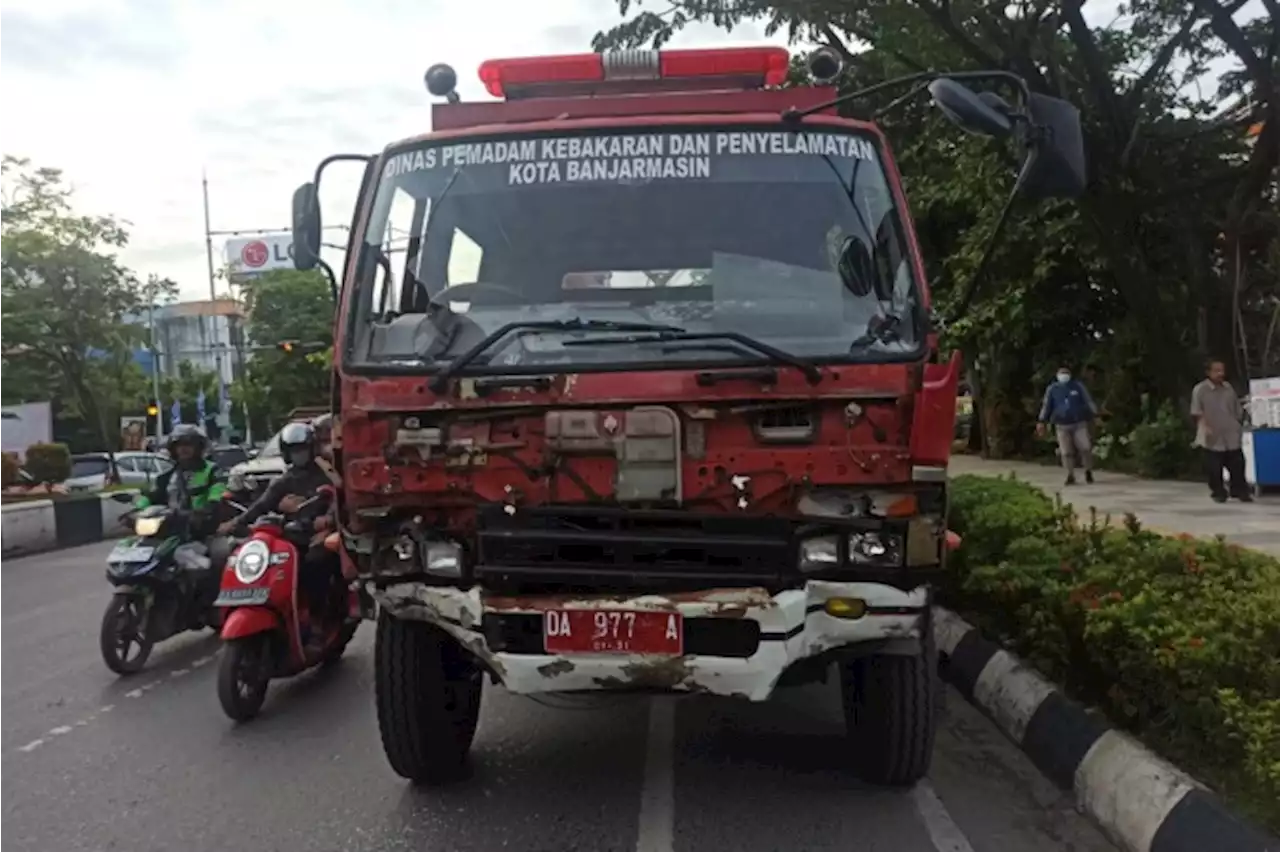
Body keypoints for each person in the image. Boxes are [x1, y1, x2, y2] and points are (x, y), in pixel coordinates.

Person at [217, 421, 341, 639]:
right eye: (294, 451)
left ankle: (318, 615)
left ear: (311, 449)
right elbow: (261, 505)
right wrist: (235, 523)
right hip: (291, 533)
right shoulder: (284, 480)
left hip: (318, 533)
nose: (298, 455)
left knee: (316, 561)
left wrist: (328, 519)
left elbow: (339, 498)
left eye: (302, 449)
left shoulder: (325, 474)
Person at [137, 424, 227, 526]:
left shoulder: (213, 470)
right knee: (130, 542)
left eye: (188, 444)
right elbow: (152, 495)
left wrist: (205, 510)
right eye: (179, 445)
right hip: (171, 526)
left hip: (203, 528)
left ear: (199, 447)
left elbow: (218, 494)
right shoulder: (167, 475)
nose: (183, 448)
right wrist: (137, 510)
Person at [1191, 359, 1252, 503]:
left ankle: (1239, 490)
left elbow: (1237, 409)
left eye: (1222, 370)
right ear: (1208, 372)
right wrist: (1204, 426)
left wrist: (1238, 423)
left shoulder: (1228, 388)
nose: (1220, 374)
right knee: (1214, 467)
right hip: (1212, 434)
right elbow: (1197, 411)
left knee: (1238, 464)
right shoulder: (1200, 390)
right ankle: (1218, 492)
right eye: (1216, 371)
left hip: (1230, 433)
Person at [1036, 365, 1098, 485]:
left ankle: (1088, 471)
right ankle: (1070, 474)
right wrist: (1042, 420)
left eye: (1066, 373)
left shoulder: (1077, 386)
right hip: (1062, 425)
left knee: (1085, 447)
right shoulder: (1053, 389)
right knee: (1066, 452)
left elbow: (1088, 400)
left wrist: (1095, 413)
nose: (1064, 376)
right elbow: (1047, 406)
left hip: (1079, 423)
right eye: (1061, 373)